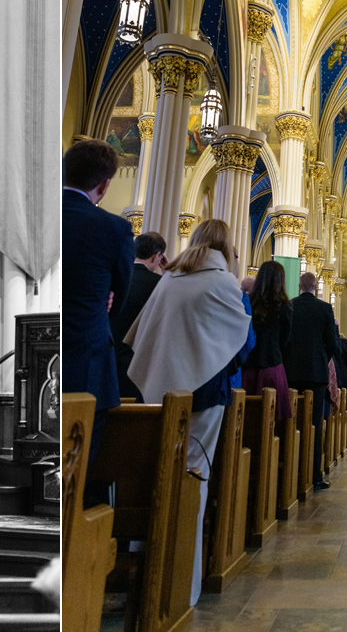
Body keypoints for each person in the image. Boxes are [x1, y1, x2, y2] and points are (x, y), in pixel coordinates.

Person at [125, 217, 248, 608]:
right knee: (195, 480)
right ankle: (182, 584)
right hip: (206, 394)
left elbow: (141, 336)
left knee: (153, 476)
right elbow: (240, 340)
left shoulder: (169, 279)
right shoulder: (223, 281)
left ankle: (143, 576)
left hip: (159, 391)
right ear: (225, 246)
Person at [62, 140, 130, 456]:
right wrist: (101, 309)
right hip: (90, 358)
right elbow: (122, 290)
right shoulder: (114, 228)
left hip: (37, 364)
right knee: (82, 463)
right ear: (103, 185)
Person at [110, 232, 166, 402]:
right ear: (158, 256)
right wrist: (168, 273)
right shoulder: (159, 285)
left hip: (108, 358)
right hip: (139, 363)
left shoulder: (115, 277)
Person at [246, 262, 293, 423]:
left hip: (248, 365)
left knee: (246, 418)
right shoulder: (285, 306)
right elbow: (285, 339)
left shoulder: (249, 302)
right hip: (272, 366)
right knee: (272, 420)